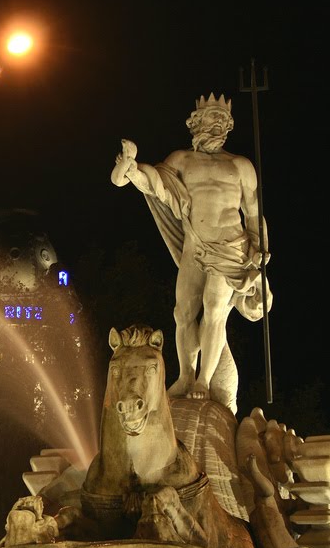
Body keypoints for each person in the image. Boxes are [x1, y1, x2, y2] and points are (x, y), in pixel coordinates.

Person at [110, 93, 271, 414]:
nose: (217, 127)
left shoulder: (240, 166)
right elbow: (155, 184)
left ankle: (204, 381)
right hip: (194, 246)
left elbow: (254, 214)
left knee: (214, 309)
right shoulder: (182, 160)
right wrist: (129, 167)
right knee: (182, 312)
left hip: (231, 248)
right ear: (195, 124)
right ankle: (186, 376)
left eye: (222, 122)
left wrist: (261, 250)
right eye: (211, 120)